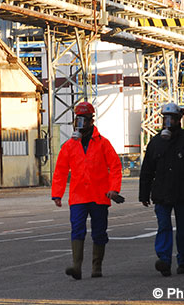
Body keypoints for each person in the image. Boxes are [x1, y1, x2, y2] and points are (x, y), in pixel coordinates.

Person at [51, 101, 123, 280]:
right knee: (77, 229)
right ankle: (77, 266)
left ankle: (96, 266)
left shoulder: (102, 143)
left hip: (99, 196)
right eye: (78, 119)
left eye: (84, 119)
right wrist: (57, 194)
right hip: (78, 197)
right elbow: (60, 170)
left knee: (99, 232)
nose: (80, 124)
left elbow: (115, 166)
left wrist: (114, 189)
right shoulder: (69, 146)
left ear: (91, 121)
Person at [139, 102, 184, 276]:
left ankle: (183, 260)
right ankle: (164, 260)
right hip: (162, 194)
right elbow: (147, 170)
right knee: (164, 226)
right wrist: (144, 194)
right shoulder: (155, 142)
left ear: (179, 120)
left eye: (173, 119)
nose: (169, 122)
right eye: (166, 118)